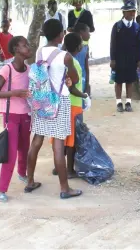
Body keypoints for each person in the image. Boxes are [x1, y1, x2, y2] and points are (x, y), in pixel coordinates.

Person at [25, 19, 82, 199]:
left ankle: (30, 181)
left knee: (36, 142)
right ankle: (65, 189)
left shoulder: (39, 52)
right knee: (58, 146)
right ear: (61, 35)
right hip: (60, 102)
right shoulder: (65, 56)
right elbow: (75, 79)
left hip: (42, 100)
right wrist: (69, 79)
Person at [0, 36, 32, 202]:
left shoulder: (29, 69)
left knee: (24, 147)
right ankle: (1, 189)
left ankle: (22, 173)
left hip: (26, 114)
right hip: (11, 116)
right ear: (16, 49)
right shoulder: (7, 69)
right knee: (11, 152)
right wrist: (15, 93)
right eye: (25, 45)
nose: (29, 47)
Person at [52, 33, 91, 178]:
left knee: (60, 137)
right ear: (78, 46)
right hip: (73, 104)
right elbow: (72, 87)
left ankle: (58, 167)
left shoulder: (62, 59)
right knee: (71, 140)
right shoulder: (72, 62)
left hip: (60, 103)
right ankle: (69, 170)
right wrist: (85, 96)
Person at [110, 0, 140, 112]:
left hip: (132, 59)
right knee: (118, 81)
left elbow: (139, 45)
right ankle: (119, 103)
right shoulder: (117, 26)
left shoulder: (137, 27)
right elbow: (112, 43)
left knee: (130, 81)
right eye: (129, 11)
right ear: (124, 13)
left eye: (133, 11)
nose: (132, 13)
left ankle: (128, 102)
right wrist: (112, 59)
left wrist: (139, 60)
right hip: (119, 59)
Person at [73, 23, 91, 95]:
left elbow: (86, 67)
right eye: (88, 32)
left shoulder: (86, 47)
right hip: (72, 79)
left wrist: (87, 84)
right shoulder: (70, 45)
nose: (89, 34)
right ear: (81, 32)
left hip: (82, 79)